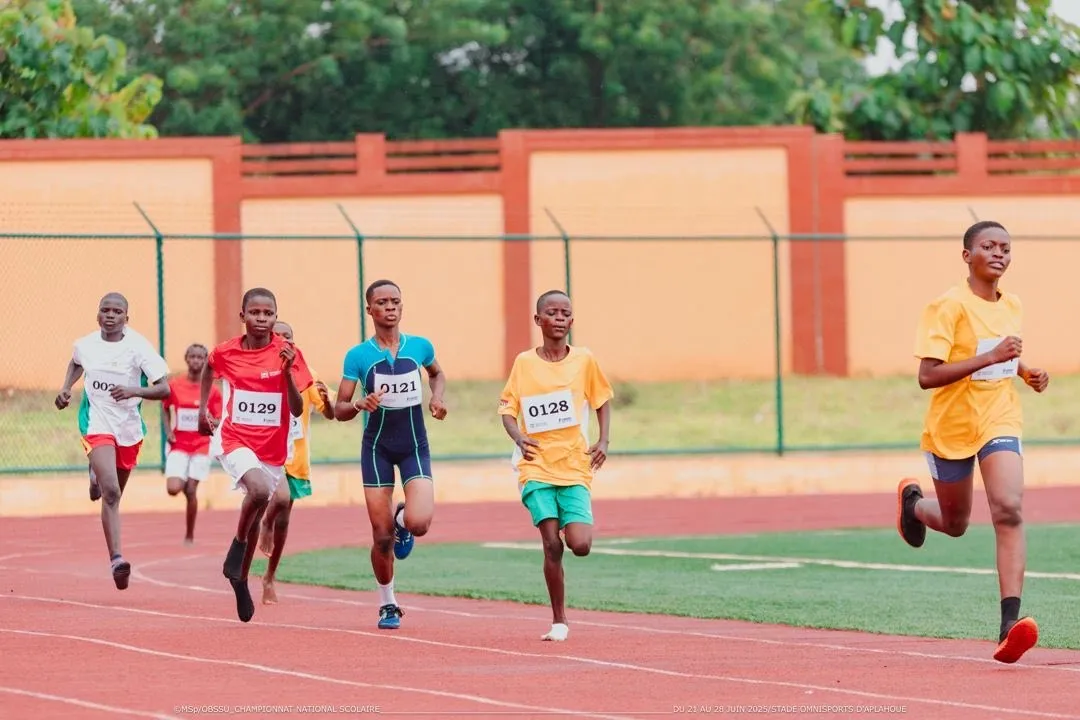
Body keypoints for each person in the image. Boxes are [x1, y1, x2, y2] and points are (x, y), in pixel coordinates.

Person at [897, 220, 1050, 665]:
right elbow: (927, 376)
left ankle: (1009, 625)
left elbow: (1005, 356)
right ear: (968, 256)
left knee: (1008, 508)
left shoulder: (1012, 304)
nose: (999, 253)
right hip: (952, 426)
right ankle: (914, 506)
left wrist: (1025, 371)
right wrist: (991, 356)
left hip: (999, 417)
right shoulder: (947, 306)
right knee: (955, 522)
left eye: (1005, 247)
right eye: (989, 246)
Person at [497, 289, 613, 642]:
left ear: (571, 321)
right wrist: (519, 438)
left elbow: (602, 399)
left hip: (574, 465)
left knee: (580, 544)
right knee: (551, 544)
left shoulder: (584, 360)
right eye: (552, 313)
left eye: (565, 313)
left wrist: (604, 441)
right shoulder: (524, 363)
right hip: (536, 466)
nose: (559, 318)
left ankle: (568, 523)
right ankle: (559, 620)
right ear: (539, 320)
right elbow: (507, 409)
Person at [333, 279, 447, 630]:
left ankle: (402, 521)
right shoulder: (358, 356)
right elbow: (338, 408)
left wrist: (437, 397)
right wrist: (358, 405)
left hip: (414, 445)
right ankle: (388, 604)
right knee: (381, 537)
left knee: (419, 523)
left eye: (395, 301)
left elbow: (437, 374)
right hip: (377, 449)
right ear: (370, 309)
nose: (390, 307)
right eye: (382, 302)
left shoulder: (420, 346)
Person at [199, 287, 313, 623]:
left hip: (272, 448)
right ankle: (237, 544)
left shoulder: (288, 353)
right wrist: (203, 408)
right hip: (235, 438)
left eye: (268, 313)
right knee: (260, 491)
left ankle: (240, 578)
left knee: (258, 509)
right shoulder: (226, 352)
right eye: (255, 313)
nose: (262, 319)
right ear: (243, 316)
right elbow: (208, 369)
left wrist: (287, 372)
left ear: (275, 317)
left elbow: (297, 408)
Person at [54, 292, 171, 590]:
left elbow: (164, 389)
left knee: (114, 491)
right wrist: (66, 388)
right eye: (105, 310)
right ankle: (117, 560)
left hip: (128, 428)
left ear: (126, 318)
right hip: (96, 422)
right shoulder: (86, 345)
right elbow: (76, 363)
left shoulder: (139, 347)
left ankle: (95, 473)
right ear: (98, 316)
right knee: (112, 493)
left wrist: (134, 390)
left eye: (117, 311)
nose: (110, 315)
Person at [257, 320, 335, 605]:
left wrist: (328, 402)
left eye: (288, 336)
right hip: (263, 452)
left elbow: (329, 414)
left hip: (294, 457)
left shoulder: (307, 373)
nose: (283, 341)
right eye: (277, 336)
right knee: (266, 505)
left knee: (284, 516)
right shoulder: (258, 372)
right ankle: (257, 535)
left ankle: (269, 576)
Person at [163, 343, 222, 545]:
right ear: (186, 359)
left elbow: (219, 418)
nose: (196, 360)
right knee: (174, 489)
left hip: (201, 445)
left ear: (205, 361)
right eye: (193, 356)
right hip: (179, 443)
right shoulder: (175, 385)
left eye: (200, 357)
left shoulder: (212, 390)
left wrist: (209, 421)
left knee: (191, 490)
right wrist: (168, 431)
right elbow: (164, 407)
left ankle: (189, 534)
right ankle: (183, 481)